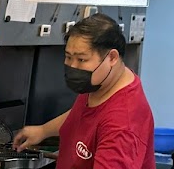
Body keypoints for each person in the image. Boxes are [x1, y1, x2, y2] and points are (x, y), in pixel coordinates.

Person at [13, 13, 155, 168]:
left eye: (81, 59)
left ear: (112, 58)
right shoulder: (102, 82)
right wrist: (43, 131)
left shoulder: (122, 127)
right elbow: (82, 114)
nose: (73, 66)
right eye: (68, 57)